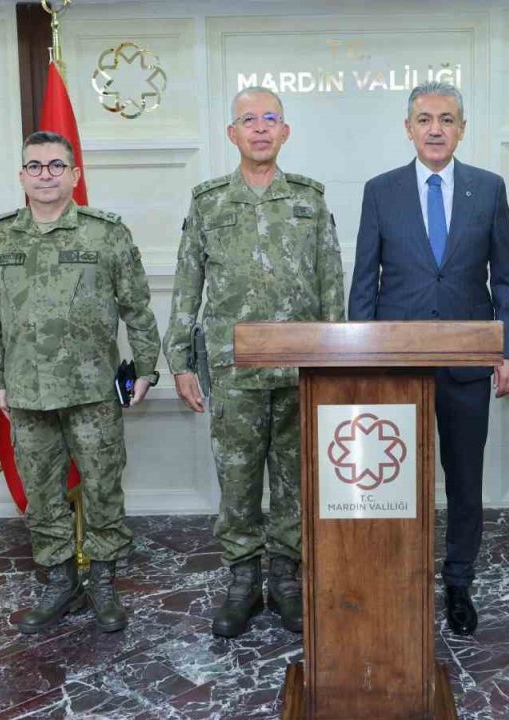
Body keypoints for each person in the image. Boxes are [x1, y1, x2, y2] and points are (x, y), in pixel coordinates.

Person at [164, 87, 346, 638]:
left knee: (294, 480)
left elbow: (331, 287)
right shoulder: (208, 202)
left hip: (300, 371)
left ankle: (286, 579)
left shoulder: (310, 200)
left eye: (271, 119)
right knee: (238, 480)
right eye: (249, 119)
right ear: (233, 134)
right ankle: (243, 582)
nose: (261, 128)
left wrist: (336, 361)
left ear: (285, 132)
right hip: (233, 369)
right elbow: (186, 286)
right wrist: (180, 362)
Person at [347, 81, 509, 636]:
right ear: (408, 128)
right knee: (397, 481)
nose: (435, 129)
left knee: (464, 481)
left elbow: (507, 277)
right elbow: (363, 283)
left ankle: (458, 581)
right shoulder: (381, 191)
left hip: (468, 365)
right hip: (396, 369)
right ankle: (400, 576)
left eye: (447, 119)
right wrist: (359, 357)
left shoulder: (488, 189)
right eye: (424, 119)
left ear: (462, 128)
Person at [0, 130, 161, 635]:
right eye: (34, 166)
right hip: (27, 392)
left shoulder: (105, 234)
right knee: (43, 494)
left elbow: (137, 307)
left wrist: (145, 367)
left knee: (103, 489)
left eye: (56, 166)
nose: (45, 175)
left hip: (93, 390)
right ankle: (60, 582)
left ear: (75, 175)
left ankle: (102, 582)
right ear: (21, 176)